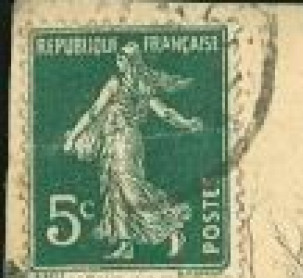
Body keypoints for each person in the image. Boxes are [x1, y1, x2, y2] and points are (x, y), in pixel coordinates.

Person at [63, 43, 204, 261]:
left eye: (122, 59)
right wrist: (186, 124)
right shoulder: (134, 84)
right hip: (113, 141)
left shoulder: (127, 85)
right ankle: (125, 244)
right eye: (118, 58)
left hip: (125, 142)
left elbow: (162, 112)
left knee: (132, 191)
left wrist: (186, 124)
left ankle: (172, 230)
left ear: (131, 62)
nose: (118, 62)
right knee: (114, 190)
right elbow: (94, 112)